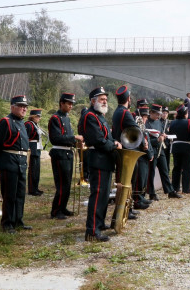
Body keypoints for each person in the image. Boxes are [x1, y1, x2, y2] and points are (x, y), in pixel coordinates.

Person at [79, 86, 122, 242]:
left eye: (105, 99)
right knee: (97, 195)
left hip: (105, 159)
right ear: (93, 101)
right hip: (98, 158)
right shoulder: (89, 116)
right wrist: (114, 146)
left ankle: (99, 224)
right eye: (102, 99)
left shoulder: (100, 116)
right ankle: (92, 231)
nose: (105, 102)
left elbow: (106, 138)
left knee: (104, 195)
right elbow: (98, 140)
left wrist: (114, 142)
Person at [0, 95, 31, 234]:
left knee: (20, 194)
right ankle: (7, 224)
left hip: (21, 162)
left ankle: (18, 221)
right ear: (12, 107)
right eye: (21, 106)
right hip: (9, 161)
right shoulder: (6, 122)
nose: (24, 109)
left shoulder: (22, 123)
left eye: (25, 106)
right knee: (9, 194)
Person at [112, 85, 150, 212]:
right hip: (126, 151)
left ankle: (128, 208)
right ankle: (125, 209)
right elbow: (137, 128)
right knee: (127, 182)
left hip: (122, 151)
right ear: (128, 98)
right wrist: (144, 141)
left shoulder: (117, 111)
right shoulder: (124, 112)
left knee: (125, 182)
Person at [48, 93, 83, 220]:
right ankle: (56, 210)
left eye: (72, 103)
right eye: (68, 103)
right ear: (61, 103)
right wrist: (74, 138)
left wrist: (76, 142)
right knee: (62, 184)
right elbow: (55, 138)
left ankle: (62, 207)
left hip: (67, 153)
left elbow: (67, 138)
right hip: (60, 154)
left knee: (67, 184)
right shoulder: (55, 118)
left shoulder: (66, 118)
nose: (71, 106)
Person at [146, 104, 182, 199]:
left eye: (159, 114)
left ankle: (170, 191)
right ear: (151, 113)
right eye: (157, 114)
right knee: (151, 172)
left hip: (160, 149)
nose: (158, 116)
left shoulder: (158, 122)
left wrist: (163, 135)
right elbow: (146, 139)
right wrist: (156, 140)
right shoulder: (146, 123)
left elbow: (161, 132)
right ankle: (151, 192)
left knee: (164, 170)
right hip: (151, 149)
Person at [169, 105, 190, 194]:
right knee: (187, 169)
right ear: (185, 114)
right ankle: (186, 189)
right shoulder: (189, 122)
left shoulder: (173, 122)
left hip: (176, 146)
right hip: (187, 147)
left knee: (176, 168)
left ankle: (175, 188)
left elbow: (170, 133)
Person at [25, 109, 44, 196]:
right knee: (33, 169)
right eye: (38, 116)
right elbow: (26, 137)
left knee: (37, 169)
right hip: (32, 147)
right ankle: (32, 189)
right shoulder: (28, 124)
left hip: (37, 147)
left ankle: (35, 188)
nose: (39, 118)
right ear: (33, 117)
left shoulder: (35, 125)